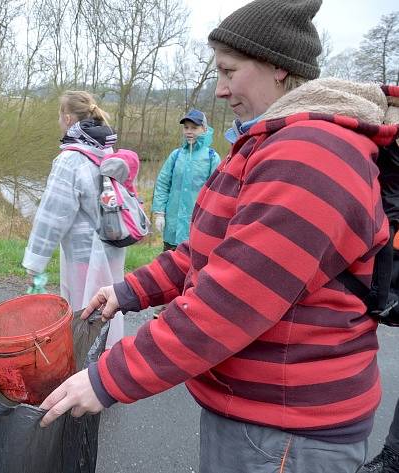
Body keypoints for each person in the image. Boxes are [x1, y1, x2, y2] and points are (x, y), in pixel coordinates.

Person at [39, 1, 399, 472]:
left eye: (229, 70)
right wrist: (128, 291)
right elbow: (207, 253)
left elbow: (232, 299)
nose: (221, 88)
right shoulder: (271, 140)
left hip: (286, 430)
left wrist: (110, 376)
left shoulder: (310, 154)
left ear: (278, 68)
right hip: (259, 412)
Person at [22, 90, 125, 347]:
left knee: (84, 314)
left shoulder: (70, 159)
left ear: (68, 118)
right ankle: (107, 363)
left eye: (59, 115)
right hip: (112, 249)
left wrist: (35, 265)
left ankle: (85, 371)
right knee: (109, 308)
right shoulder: (106, 151)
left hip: (84, 255)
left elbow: (52, 216)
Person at [152, 109, 220, 251]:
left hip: (197, 227)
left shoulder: (212, 157)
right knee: (168, 267)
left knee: (191, 269)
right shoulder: (176, 155)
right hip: (172, 226)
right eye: (186, 127)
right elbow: (163, 184)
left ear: (204, 129)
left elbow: (217, 193)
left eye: (194, 128)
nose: (189, 131)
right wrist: (159, 213)